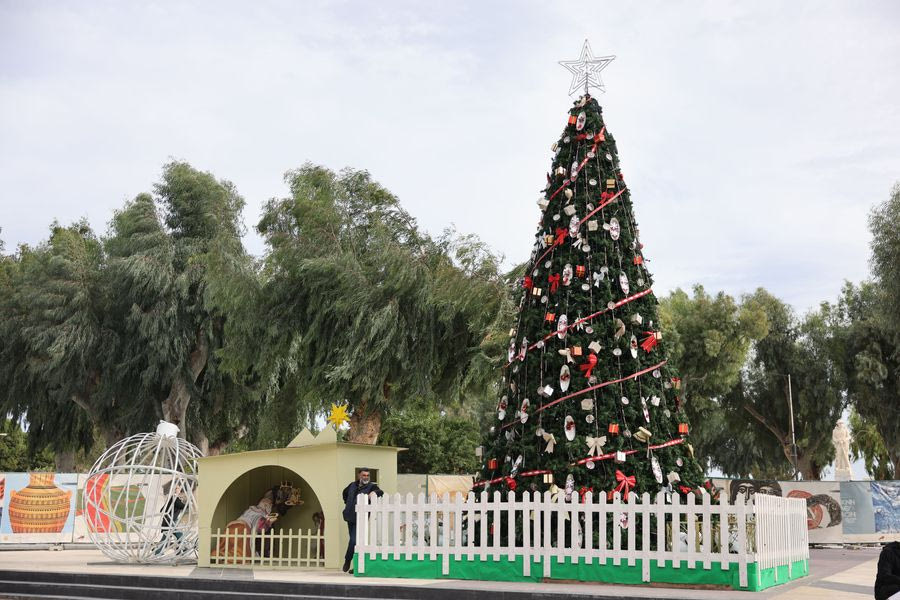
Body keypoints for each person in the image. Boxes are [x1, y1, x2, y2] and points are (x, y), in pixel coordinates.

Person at [341, 468, 383, 573]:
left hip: (361, 518)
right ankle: (356, 567)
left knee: (354, 541)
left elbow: (380, 492)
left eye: (367, 475)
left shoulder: (371, 486)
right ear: (359, 476)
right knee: (355, 542)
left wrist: (373, 493)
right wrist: (348, 504)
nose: (366, 477)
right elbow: (344, 493)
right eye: (364, 475)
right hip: (350, 516)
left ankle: (347, 560)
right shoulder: (352, 485)